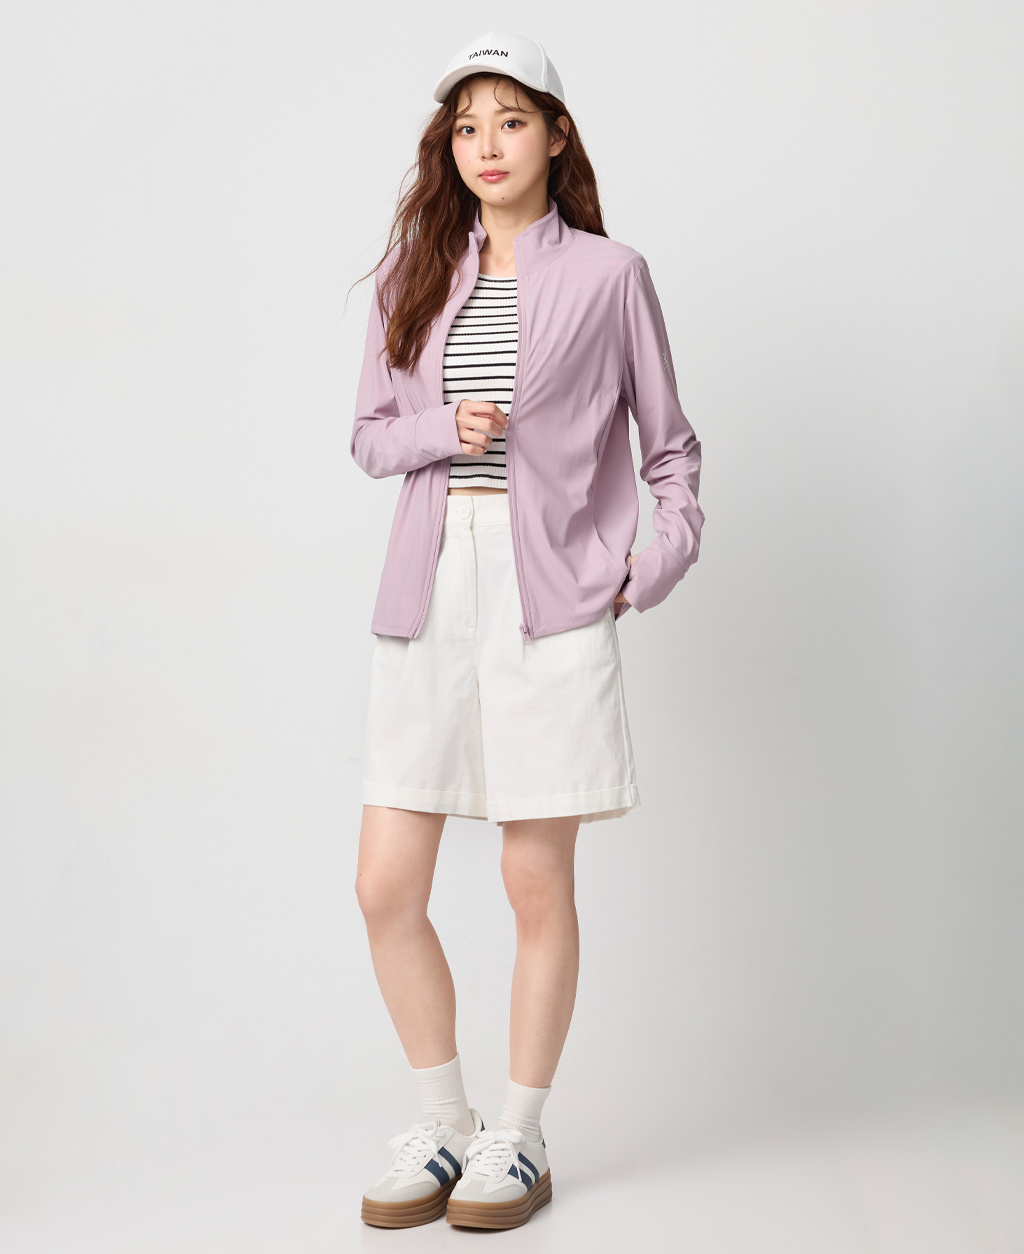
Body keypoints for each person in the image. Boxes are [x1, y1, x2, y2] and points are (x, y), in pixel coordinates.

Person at [350, 30, 704, 1231]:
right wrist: (444, 426)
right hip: (427, 586)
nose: (486, 145)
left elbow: (670, 450)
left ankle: (519, 1134)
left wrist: (646, 566)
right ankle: (444, 1122)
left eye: (510, 119)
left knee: (530, 879)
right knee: (382, 884)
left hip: (548, 593)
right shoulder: (414, 271)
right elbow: (369, 435)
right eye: (467, 126)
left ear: (555, 134)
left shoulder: (610, 275)